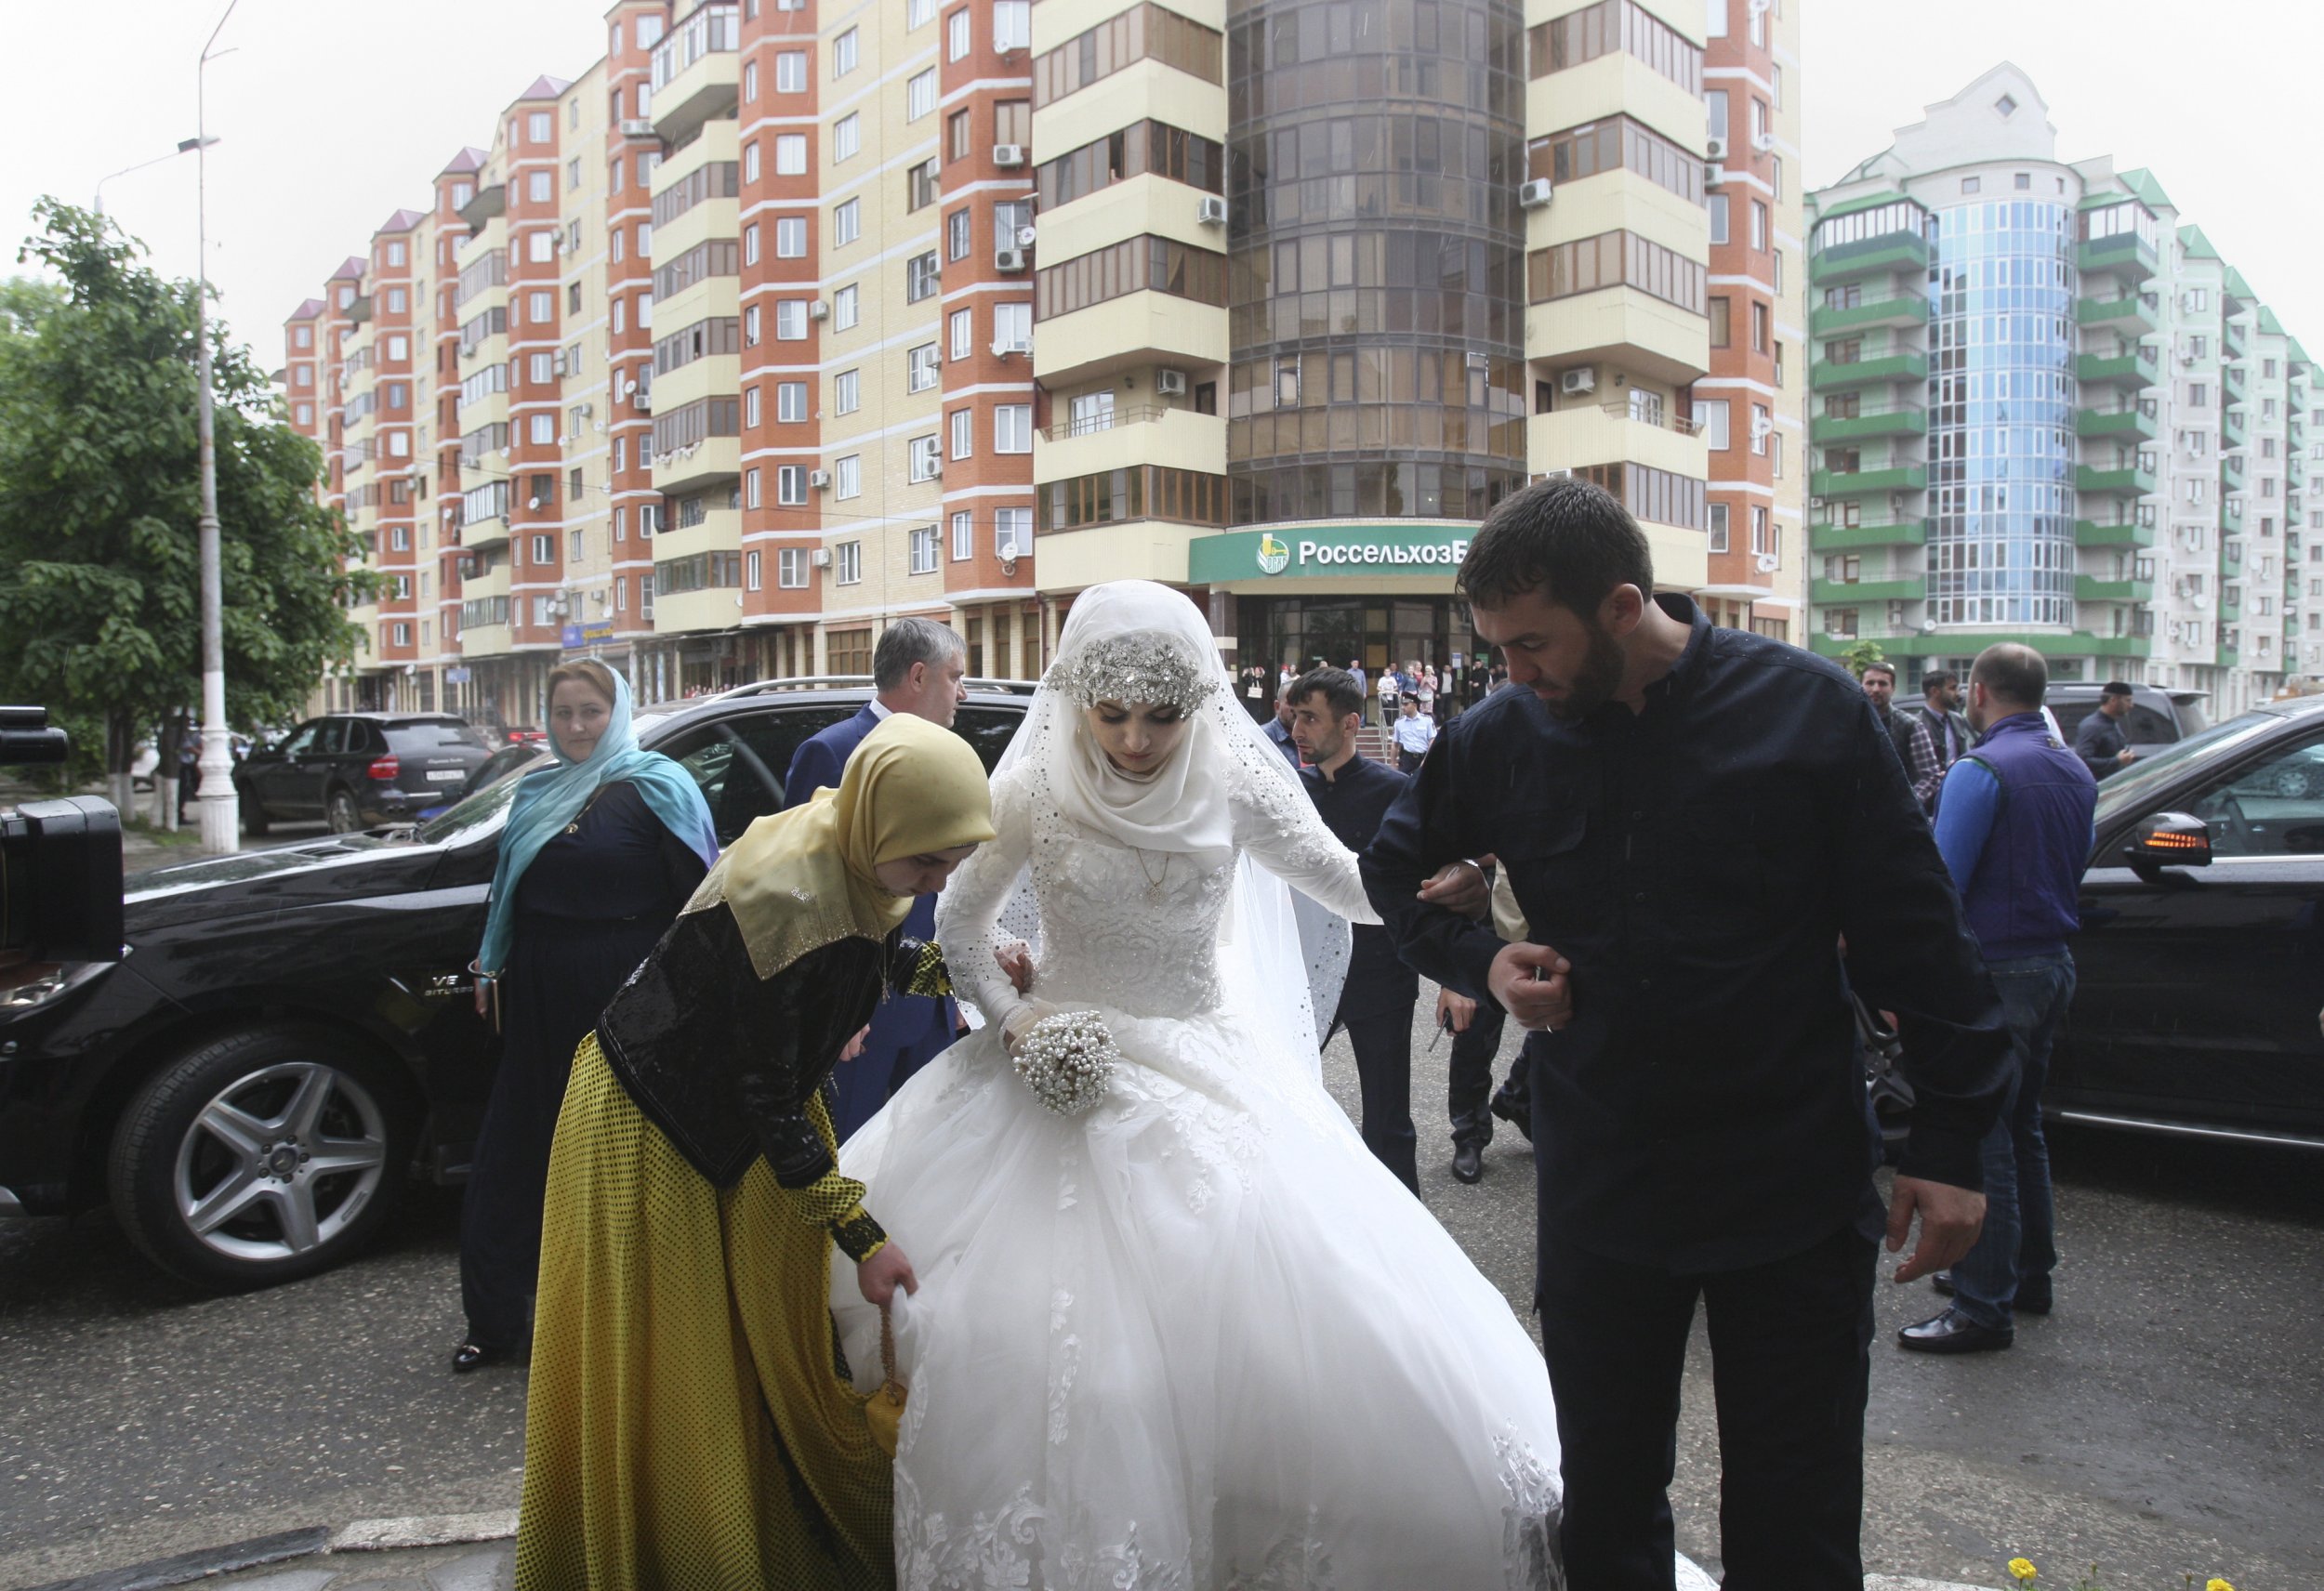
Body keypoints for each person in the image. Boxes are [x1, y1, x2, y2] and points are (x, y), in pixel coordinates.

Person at [832, 581, 1563, 1589]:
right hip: (1055, 1059)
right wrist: (1019, 1021)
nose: (1135, 740)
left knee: (1282, 1326)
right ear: (1078, 697)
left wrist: (1433, 885)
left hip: (1202, 1057)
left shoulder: (1230, 781)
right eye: (1114, 714)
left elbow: (1340, 879)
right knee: (1028, 1345)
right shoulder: (1034, 782)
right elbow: (959, 925)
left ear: (1200, 703)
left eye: (1162, 716)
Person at [1361, 479, 2009, 1591]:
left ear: (1621, 606)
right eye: (1496, 647)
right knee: (1607, 1502)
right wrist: (1482, 962)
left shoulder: (1806, 710)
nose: (1511, 671)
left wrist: (1952, 1148)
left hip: (1790, 1183)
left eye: (1530, 644)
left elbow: (1919, 938)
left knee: (1795, 1512)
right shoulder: (1502, 733)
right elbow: (1393, 871)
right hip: (1602, 1181)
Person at [513, 714, 995, 1590]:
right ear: (876, 823)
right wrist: (864, 1239)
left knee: (756, 1351)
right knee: (689, 1370)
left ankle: (763, 1518)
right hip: (659, 1132)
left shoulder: (843, 840)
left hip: (727, 1118)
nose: (938, 880)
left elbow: (870, 958)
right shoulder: (793, 898)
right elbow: (768, 1097)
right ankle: (697, 1553)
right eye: (927, 863)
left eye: (952, 861)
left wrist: (974, 972)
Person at [456, 661, 718, 1374]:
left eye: (591, 711)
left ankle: (639, 1326)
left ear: (618, 710)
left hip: (626, 993)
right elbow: (508, 891)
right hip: (540, 992)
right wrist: (492, 961)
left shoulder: (658, 786)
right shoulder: (536, 789)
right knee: (517, 1155)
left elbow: (700, 903)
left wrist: (687, 1002)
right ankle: (499, 1322)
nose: (576, 727)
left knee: (625, 1162)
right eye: (564, 712)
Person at [1903, 644, 2098, 1355]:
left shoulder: (1980, 768)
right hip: (2053, 963)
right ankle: (2027, 1275)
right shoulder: (2072, 767)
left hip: (1997, 970)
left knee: (1983, 1137)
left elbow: (1942, 883)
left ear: (1978, 692)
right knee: (2024, 1130)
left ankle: (1983, 1304)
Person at [783, 616, 971, 1138]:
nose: (963, 692)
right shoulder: (832, 751)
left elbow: (943, 892)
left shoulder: (948, 754)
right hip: (859, 1018)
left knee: (929, 1162)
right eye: (955, 677)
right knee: (856, 1159)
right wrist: (832, 1007)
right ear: (918, 677)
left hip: (930, 1009)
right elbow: (803, 892)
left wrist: (951, 997)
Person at [1286, 665, 1423, 1190]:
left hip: (1379, 976)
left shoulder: (1397, 791)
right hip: (1299, 978)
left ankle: (1406, 1242)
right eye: (1295, 716)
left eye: (1311, 718)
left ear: (1349, 724)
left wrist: (1454, 980)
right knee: (1289, 1100)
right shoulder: (1289, 795)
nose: (1298, 729)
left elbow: (1428, 883)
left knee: (1389, 1120)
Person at [1444, 865, 1538, 1185]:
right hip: (1491, 899)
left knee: (1558, 1022)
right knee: (1475, 1035)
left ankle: (1519, 1096)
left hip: (1558, 901)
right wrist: (1451, 977)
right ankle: (1469, 1134)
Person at [1862, 660, 1944, 813]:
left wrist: (1904, 806)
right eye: (1870, 683)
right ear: (1861, 686)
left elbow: (1931, 776)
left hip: (1898, 820)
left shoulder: (1910, 726)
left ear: (1893, 688)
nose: (1876, 688)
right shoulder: (1852, 722)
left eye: (1882, 683)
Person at [2073, 680, 2139, 779]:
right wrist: (2117, 761)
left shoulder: (2112, 722)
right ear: (2113, 700)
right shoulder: (2092, 726)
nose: (2131, 705)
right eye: (2128, 701)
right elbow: (2083, 761)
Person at [1914, 669, 1974, 773]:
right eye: (1952, 688)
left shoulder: (1958, 720)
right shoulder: (1916, 724)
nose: (1958, 694)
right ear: (1934, 691)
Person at [1391, 693, 1437, 773]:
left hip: (1424, 756)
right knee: (1404, 783)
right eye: (1402, 705)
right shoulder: (1399, 723)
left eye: (1406, 705)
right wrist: (1393, 764)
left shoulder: (1427, 720)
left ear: (1414, 705)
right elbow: (1395, 745)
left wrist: (1426, 760)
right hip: (1407, 759)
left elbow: (1432, 741)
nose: (1402, 707)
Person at [1261, 683, 1302, 769]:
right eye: (1291, 702)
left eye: (1302, 703)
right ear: (1277, 706)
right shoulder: (1262, 737)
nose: (1296, 709)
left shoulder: (1314, 736)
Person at [1376, 660, 1401, 726]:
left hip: (1390, 696)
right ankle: (1385, 723)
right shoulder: (1382, 679)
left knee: (1391, 710)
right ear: (1384, 673)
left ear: (1390, 672)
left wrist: (1392, 690)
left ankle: (1391, 722)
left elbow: (1396, 687)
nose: (1387, 673)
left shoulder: (1392, 679)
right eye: (1386, 672)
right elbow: (1378, 687)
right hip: (1384, 696)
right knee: (1384, 710)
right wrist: (1383, 690)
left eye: (1388, 672)